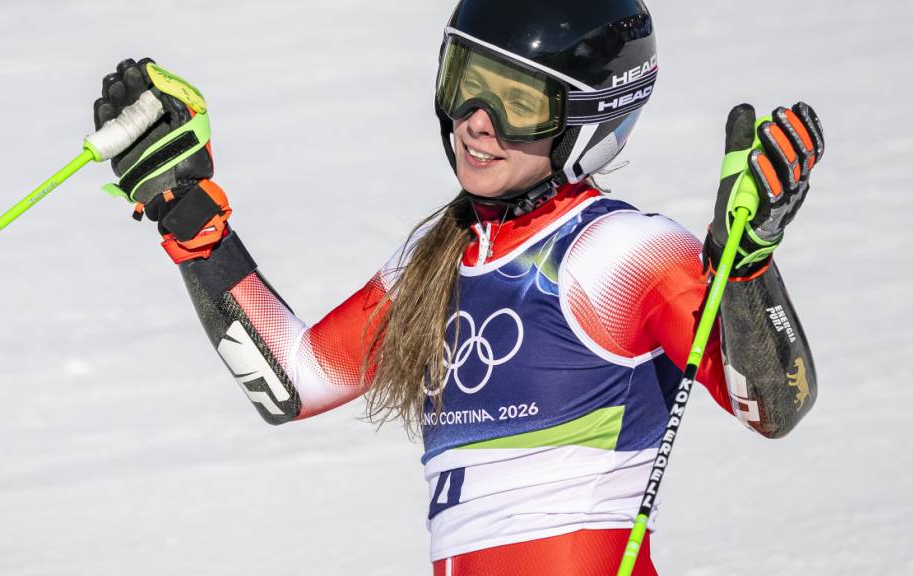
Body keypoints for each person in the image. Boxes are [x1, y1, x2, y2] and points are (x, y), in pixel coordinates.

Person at [91, 0, 824, 573]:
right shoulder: (436, 256)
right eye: (467, 84)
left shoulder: (621, 252)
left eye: (519, 102)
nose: (478, 124)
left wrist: (747, 267)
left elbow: (774, 405)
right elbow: (293, 381)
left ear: (590, 120)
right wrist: (189, 217)